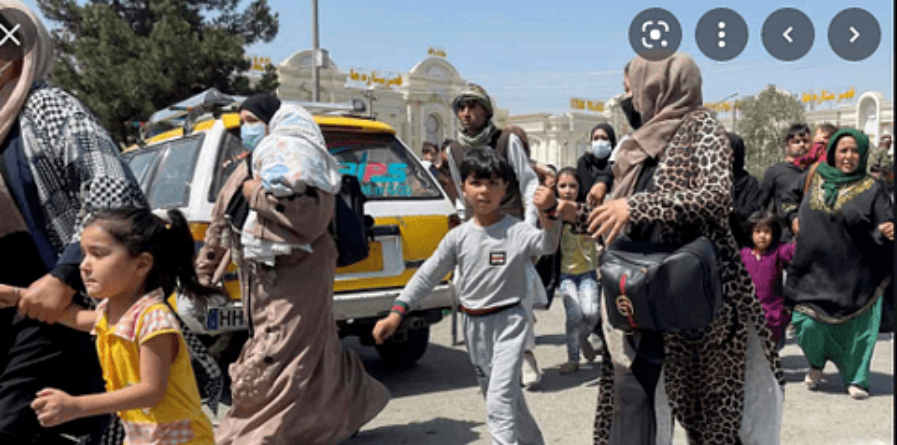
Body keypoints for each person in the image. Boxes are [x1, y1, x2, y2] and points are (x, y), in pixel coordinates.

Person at [576, 53, 783, 444]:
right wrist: (573, 212)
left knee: (709, 410)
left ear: (661, 85)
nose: (629, 97)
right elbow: (621, 215)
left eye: (633, 87)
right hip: (641, 291)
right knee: (636, 405)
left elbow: (716, 197)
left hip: (695, 293)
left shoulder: (701, 127)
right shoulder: (640, 142)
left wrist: (637, 205)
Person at [196, 100, 389, 444]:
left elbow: (310, 218)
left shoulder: (304, 165)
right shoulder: (247, 168)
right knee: (306, 354)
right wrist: (205, 271)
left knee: (280, 356)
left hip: (300, 277)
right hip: (262, 281)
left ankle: (257, 435)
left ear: (272, 122)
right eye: (242, 122)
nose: (246, 129)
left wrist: (256, 194)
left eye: (252, 120)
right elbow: (221, 222)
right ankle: (336, 418)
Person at [0, 2, 147, 443]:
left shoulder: (46, 108)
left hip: (50, 302)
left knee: (15, 421)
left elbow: (115, 191)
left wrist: (63, 276)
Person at [373, 148, 561, 445]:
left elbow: (547, 245)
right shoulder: (457, 238)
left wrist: (550, 213)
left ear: (504, 189)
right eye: (476, 182)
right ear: (463, 188)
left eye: (493, 183)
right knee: (505, 398)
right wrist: (397, 312)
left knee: (499, 401)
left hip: (510, 323)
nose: (484, 191)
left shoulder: (517, 231)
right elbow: (427, 275)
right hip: (474, 326)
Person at [15, 208, 215, 444]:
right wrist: (17, 295)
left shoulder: (154, 319)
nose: (84, 266)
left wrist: (76, 405)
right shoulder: (110, 313)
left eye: (98, 254)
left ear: (141, 265)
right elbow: (71, 317)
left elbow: (151, 391)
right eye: (84, 255)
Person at [446, 82, 546, 387]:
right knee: (469, 290)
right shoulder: (454, 149)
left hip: (510, 228)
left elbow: (528, 182)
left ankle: (525, 355)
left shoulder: (506, 140)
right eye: (461, 107)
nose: (466, 113)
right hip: (477, 231)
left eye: (472, 106)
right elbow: (460, 194)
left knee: (519, 293)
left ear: (486, 110)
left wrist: (529, 226)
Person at [782, 129, 894, 400]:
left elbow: (884, 221)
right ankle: (816, 362)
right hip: (812, 271)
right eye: (843, 150)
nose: (848, 156)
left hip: (855, 275)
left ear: (863, 154)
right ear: (833, 152)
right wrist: (793, 217)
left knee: (858, 330)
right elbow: (787, 199)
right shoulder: (814, 175)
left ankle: (856, 378)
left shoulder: (873, 187)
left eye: (855, 151)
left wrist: (885, 229)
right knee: (806, 324)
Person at [553, 167, 601, 373]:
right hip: (566, 276)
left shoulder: (587, 212)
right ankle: (573, 359)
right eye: (562, 186)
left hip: (588, 273)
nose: (567, 190)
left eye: (573, 186)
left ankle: (582, 339)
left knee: (591, 313)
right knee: (574, 315)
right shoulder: (554, 216)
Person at [740, 211, 796, 349]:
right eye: (757, 231)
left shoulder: (778, 251)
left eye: (766, 232)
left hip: (774, 315)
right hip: (749, 315)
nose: (762, 236)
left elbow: (795, 251)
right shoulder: (743, 254)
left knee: (773, 351)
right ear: (750, 233)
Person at [759, 123, 812, 241]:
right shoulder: (775, 172)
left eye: (805, 141)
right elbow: (762, 205)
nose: (802, 145)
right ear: (787, 145)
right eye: (796, 142)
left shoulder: (814, 171)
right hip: (783, 238)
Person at [729, 133, 763, 248]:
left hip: (743, 244)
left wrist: (735, 214)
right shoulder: (711, 182)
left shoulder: (751, 183)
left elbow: (753, 211)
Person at [577, 123, 616, 206]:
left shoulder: (618, 164)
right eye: (596, 138)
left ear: (612, 142)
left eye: (604, 138)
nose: (599, 142)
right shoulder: (584, 164)